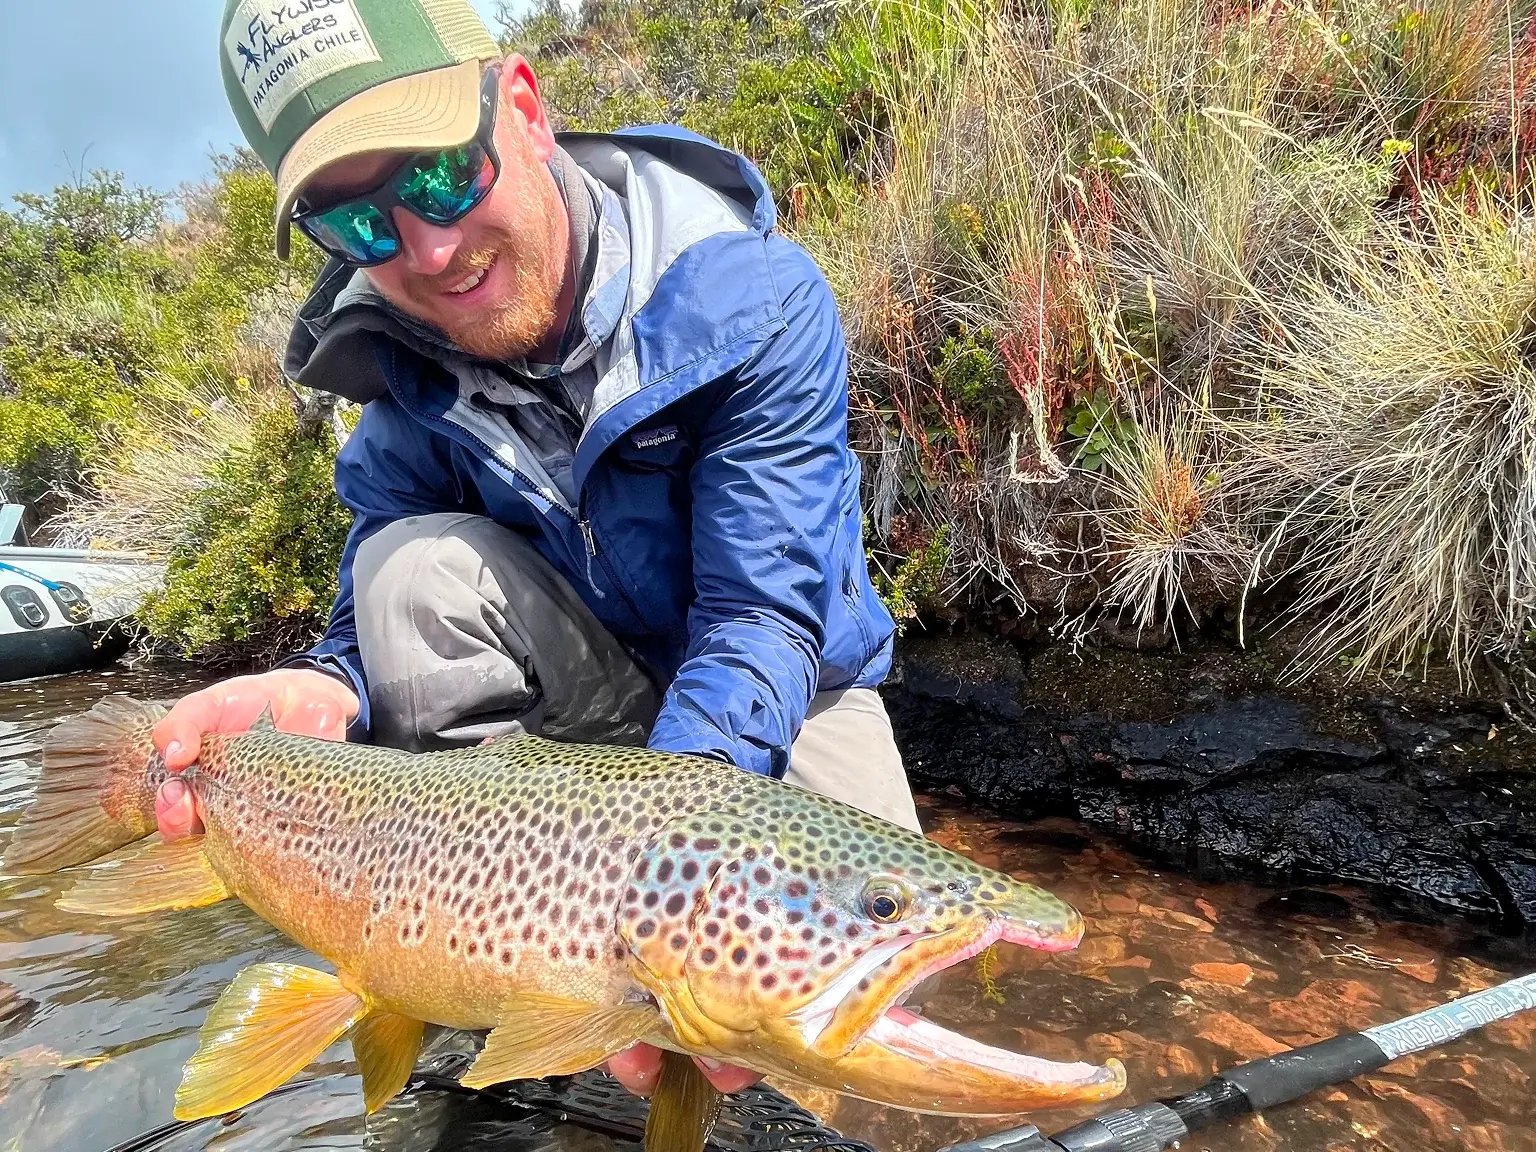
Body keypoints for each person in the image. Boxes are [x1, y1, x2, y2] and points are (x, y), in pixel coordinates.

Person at [161, 0, 919, 1099]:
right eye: (360, 225)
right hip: (569, 746)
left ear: (521, 105)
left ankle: (577, 958)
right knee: (408, 571)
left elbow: (764, 617)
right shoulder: (398, 380)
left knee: (850, 1007)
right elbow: (370, 594)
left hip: (781, 691)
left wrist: (670, 886)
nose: (427, 248)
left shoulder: (749, 299)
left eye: (436, 178)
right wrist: (324, 688)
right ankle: (478, 963)